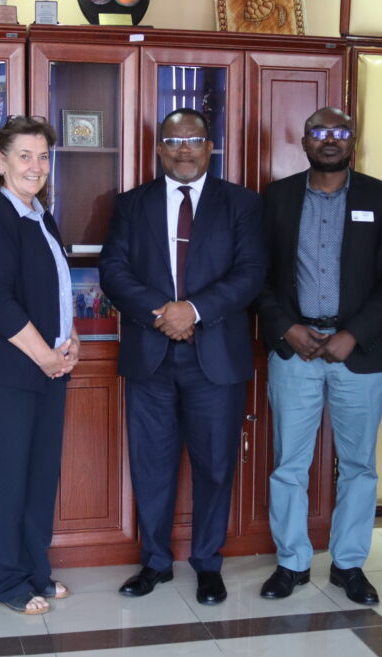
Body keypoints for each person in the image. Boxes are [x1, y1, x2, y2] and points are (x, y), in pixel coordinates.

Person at [100, 108, 265, 606]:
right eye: (173, 140)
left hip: (215, 358)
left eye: (194, 140)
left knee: (215, 464)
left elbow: (251, 273)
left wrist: (192, 310)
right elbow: (113, 269)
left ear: (209, 147)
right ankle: (154, 561)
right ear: (159, 148)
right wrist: (162, 312)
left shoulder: (242, 204)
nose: (184, 149)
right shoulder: (132, 205)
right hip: (151, 357)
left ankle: (207, 563)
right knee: (152, 465)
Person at [254, 107, 382, 605]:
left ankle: (348, 565)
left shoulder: (380, 197)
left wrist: (353, 333)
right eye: (320, 132)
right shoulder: (277, 198)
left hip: (356, 354)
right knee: (289, 465)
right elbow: (257, 275)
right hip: (294, 351)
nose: (330, 140)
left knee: (359, 464)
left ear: (353, 142)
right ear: (304, 141)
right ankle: (292, 563)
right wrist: (287, 328)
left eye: (340, 132)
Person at [0, 116, 79, 615]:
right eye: (25, 156)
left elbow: (56, 290)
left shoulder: (40, 215)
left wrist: (70, 342)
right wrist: (47, 355)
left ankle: (34, 569)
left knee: (37, 477)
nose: (36, 166)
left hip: (48, 369)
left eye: (43, 156)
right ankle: (5, 579)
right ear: (1, 162)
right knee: (4, 478)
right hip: (8, 373)